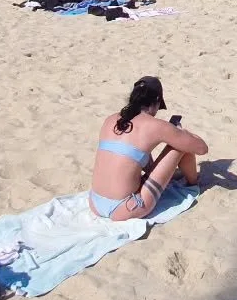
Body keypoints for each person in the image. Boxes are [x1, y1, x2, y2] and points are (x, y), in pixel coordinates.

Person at [89, 76, 207, 221]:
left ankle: (183, 177)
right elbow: (202, 149)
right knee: (181, 145)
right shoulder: (155, 125)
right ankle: (193, 184)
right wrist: (182, 133)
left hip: (94, 202)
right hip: (125, 208)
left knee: (140, 152)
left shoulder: (111, 119)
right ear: (156, 102)